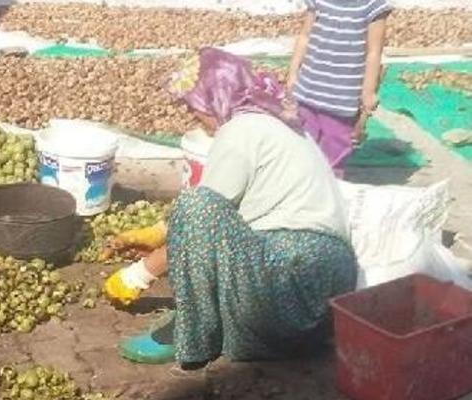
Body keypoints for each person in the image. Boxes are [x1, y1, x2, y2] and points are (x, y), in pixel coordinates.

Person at [104, 48, 357, 368]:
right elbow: (227, 212)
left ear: (216, 94)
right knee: (200, 212)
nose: (192, 115)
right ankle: (243, 332)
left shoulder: (241, 130)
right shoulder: (279, 124)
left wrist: (138, 274)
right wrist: (158, 233)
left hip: (292, 283)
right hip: (325, 304)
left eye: (193, 105)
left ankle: (191, 337)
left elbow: (205, 215)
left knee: (195, 204)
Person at [286, 0, 391, 178]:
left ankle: (330, 193)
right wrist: (293, 72)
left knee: (334, 154)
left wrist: (368, 92)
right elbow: (305, 36)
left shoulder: (371, 5)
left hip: (342, 96)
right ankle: (299, 191)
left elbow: (374, 52)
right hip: (308, 89)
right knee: (302, 147)